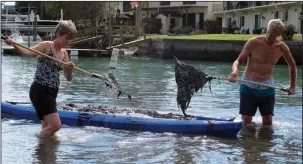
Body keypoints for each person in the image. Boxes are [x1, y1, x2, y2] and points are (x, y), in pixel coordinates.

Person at [4, 20, 77, 137]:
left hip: (52, 92)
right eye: (66, 38)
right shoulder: (46, 46)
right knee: (55, 126)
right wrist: (13, 43)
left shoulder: (64, 54)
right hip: (40, 90)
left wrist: (69, 69)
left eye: (70, 39)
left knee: (47, 128)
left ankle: (43, 152)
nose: (68, 41)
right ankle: (36, 139)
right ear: (58, 34)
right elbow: (27, 52)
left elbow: (68, 78)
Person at [228, 19, 297, 126]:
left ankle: (265, 142)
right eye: (268, 32)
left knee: (268, 122)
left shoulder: (281, 47)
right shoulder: (253, 42)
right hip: (249, 85)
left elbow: (292, 64)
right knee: (246, 121)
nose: (269, 36)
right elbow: (239, 60)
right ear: (267, 29)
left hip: (267, 86)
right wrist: (235, 72)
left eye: (273, 34)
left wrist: (292, 86)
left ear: (278, 34)